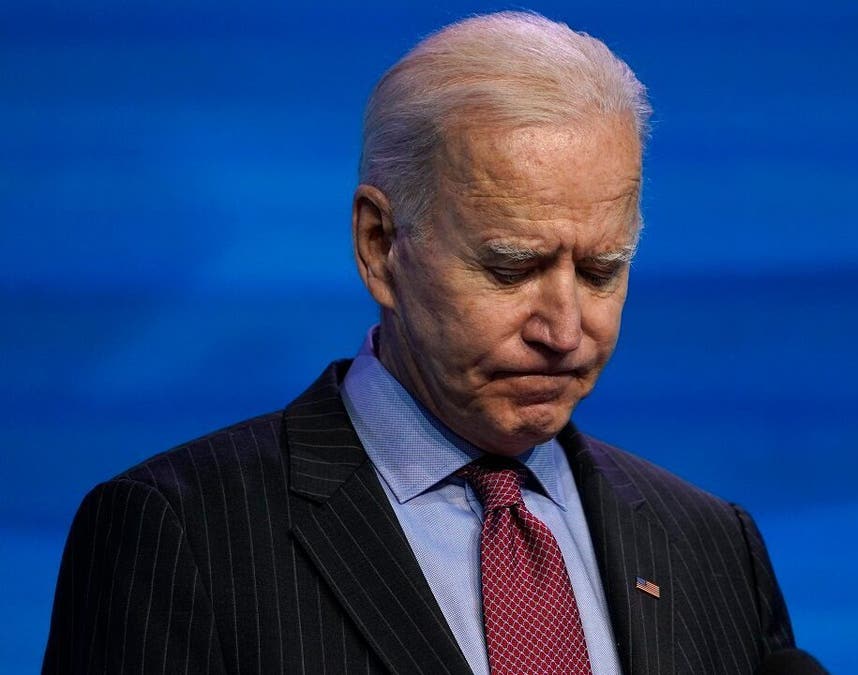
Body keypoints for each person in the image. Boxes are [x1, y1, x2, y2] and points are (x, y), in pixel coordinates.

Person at [43, 11, 794, 674]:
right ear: (379, 244)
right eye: (511, 267)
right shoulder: (180, 534)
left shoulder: (714, 548)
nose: (564, 331)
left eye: (601, 271)